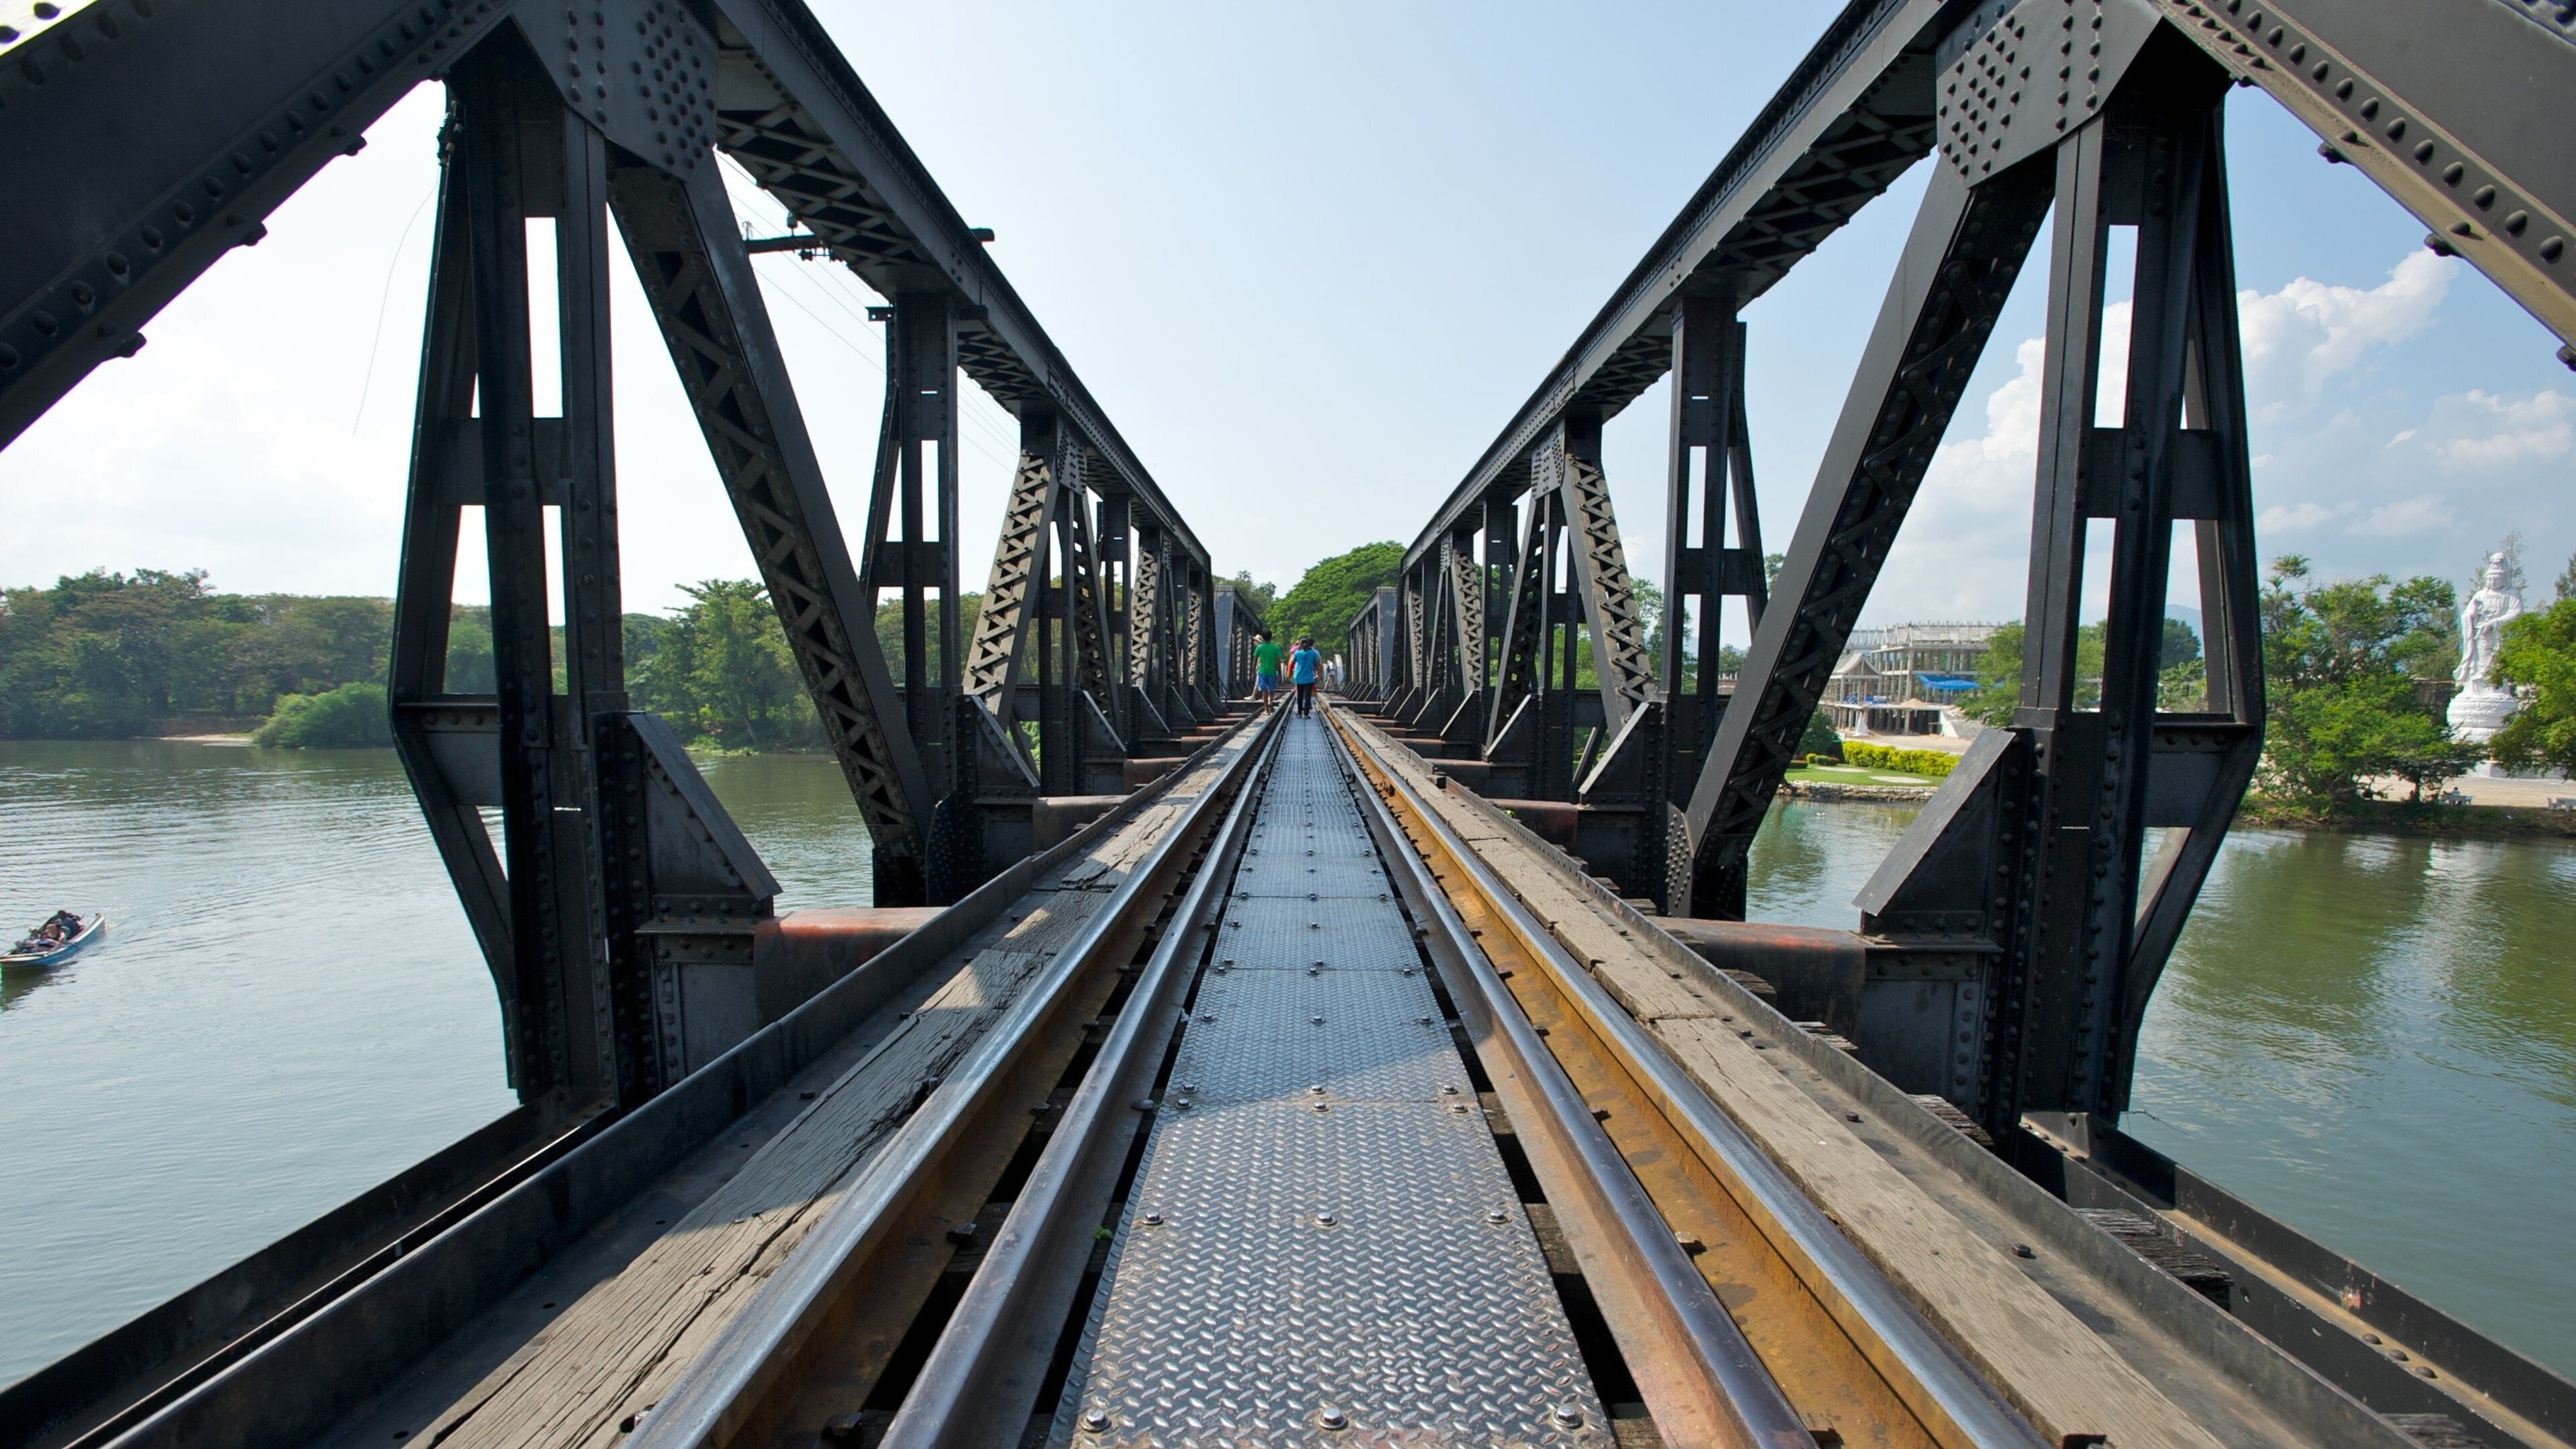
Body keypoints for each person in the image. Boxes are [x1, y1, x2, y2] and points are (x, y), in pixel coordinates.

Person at [1288, 636, 1322, 718]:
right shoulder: (1313, 654)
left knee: (1299, 696)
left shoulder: (1297, 653)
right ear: (1309, 645)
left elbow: (1292, 663)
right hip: (1309, 679)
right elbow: (1317, 665)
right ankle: (1306, 714)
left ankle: (1299, 713)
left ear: (1300, 645)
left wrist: (1289, 673)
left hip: (1299, 678)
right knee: (1308, 697)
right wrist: (1319, 673)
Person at [1251, 631, 1283, 713]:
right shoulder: (1276, 648)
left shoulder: (1259, 648)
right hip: (1272, 672)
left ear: (1263, 638)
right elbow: (1278, 663)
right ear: (1271, 637)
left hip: (1262, 671)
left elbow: (1254, 661)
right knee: (1272, 690)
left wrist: (1253, 672)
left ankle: (1267, 710)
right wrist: (1279, 674)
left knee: (1264, 691)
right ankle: (1270, 702)